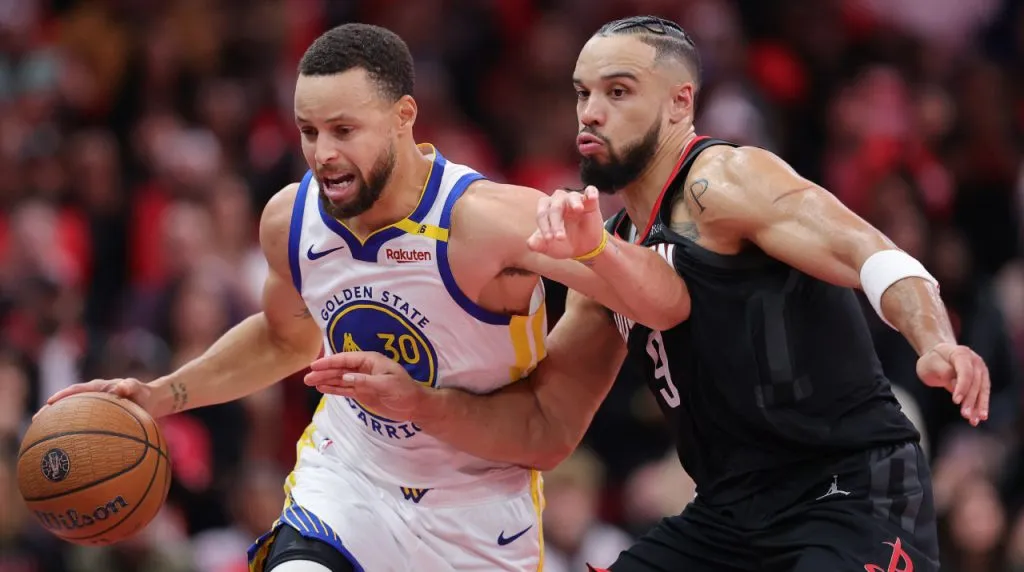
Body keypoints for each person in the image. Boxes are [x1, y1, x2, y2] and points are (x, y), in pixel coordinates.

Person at [306, 16, 992, 572]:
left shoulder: (724, 181)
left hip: (848, 494)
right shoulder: (611, 250)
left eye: (619, 91)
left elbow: (868, 250)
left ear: (679, 103)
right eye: (582, 93)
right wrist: (419, 401)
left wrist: (935, 340)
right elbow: (545, 429)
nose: (591, 112)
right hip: (729, 513)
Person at [41, 23, 690, 572]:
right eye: (309, 131)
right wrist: (163, 396)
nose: (323, 154)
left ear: (404, 118)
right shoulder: (290, 219)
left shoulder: (489, 221)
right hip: (348, 482)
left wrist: (599, 251)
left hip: (478, 508)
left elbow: (663, 303)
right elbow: (284, 336)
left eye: (344, 130)